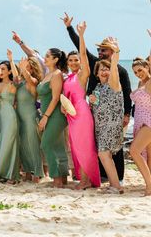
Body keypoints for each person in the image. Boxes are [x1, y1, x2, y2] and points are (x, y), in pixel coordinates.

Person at [62, 13, 132, 182]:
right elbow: (82, 50)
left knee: (115, 148)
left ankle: (119, 178)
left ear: (111, 51)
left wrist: (127, 114)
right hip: (96, 111)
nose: (100, 52)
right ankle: (103, 175)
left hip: (114, 113)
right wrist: (70, 28)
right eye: (99, 50)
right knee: (99, 143)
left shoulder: (120, 70)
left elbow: (127, 92)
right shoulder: (95, 64)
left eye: (103, 50)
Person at [62, 23, 100, 189]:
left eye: (76, 59)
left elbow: (83, 53)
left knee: (85, 146)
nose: (73, 62)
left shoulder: (82, 75)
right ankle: (84, 178)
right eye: (70, 60)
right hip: (71, 114)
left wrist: (81, 35)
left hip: (82, 112)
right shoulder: (67, 78)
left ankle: (86, 180)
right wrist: (63, 107)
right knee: (76, 146)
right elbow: (66, 97)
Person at [89, 44, 125, 194]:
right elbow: (96, 108)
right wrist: (91, 102)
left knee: (104, 154)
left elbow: (114, 67)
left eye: (106, 69)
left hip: (112, 125)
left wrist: (115, 52)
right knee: (105, 155)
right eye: (101, 69)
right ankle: (114, 184)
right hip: (100, 127)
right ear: (96, 73)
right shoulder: (97, 88)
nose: (104, 71)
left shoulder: (113, 84)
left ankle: (116, 186)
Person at [39, 48, 69, 188]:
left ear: (55, 59)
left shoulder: (56, 74)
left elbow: (56, 98)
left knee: (46, 144)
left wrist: (45, 117)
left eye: (47, 56)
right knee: (57, 146)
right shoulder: (48, 74)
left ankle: (56, 179)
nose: (44, 58)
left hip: (55, 115)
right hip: (49, 114)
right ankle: (62, 179)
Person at [14, 56, 44, 182]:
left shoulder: (34, 82)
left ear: (32, 70)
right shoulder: (21, 83)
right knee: (23, 146)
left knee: (33, 145)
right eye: (24, 67)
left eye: (28, 68)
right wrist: (12, 61)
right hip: (20, 118)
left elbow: (29, 80)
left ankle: (37, 173)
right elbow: (17, 78)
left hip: (31, 117)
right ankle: (27, 172)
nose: (24, 70)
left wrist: (23, 69)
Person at [0, 54, 19, 183]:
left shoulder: (13, 84)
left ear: (9, 71)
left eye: (3, 69)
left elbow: (17, 77)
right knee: (1, 143)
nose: (1, 71)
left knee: (8, 144)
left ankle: (11, 175)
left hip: (9, 116)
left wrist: (11, 60)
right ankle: (3, 173)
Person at [130, 57, 151, 196]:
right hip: (140, 122)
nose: (138, 73)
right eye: (135, 72)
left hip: (149, 122)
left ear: (147, 67)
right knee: (149, 156)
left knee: (134, 151)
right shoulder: (140, 83)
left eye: (140, 70)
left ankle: (150, 185)